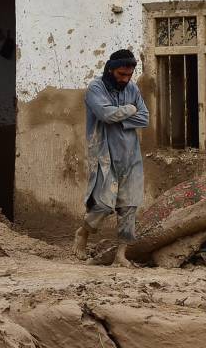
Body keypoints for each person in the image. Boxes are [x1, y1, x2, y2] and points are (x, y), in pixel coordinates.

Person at [73, 49, 149, 267]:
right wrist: (131, 108)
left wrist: (121, 115)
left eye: (129, 75)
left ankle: (120, 255)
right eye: (121, 74)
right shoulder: (95, 88)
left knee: (129, 207)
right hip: (104, 156)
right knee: (103, 205)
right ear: (110, 70)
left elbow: (144, 118)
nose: (125, 79)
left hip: (131, 157)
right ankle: (83, 232)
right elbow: (105, 115)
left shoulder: (132, 88)